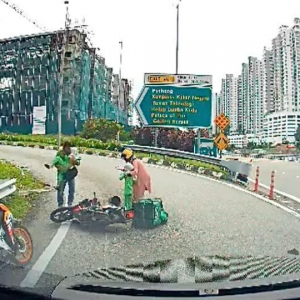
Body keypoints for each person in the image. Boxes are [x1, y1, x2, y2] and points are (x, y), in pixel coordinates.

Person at [50, 141, 80, 207]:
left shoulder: (73, 153)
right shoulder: (60, 153)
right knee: (60, 189)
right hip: (62, 174)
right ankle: (60, 204)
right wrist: (60, 167)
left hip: (71, 173)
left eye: (69, 147)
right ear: (64, 148)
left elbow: (78, 162)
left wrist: (74, 161)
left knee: (71, 189)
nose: (68, 149)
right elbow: (56, 161)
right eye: (66, 147)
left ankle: (70, 204)